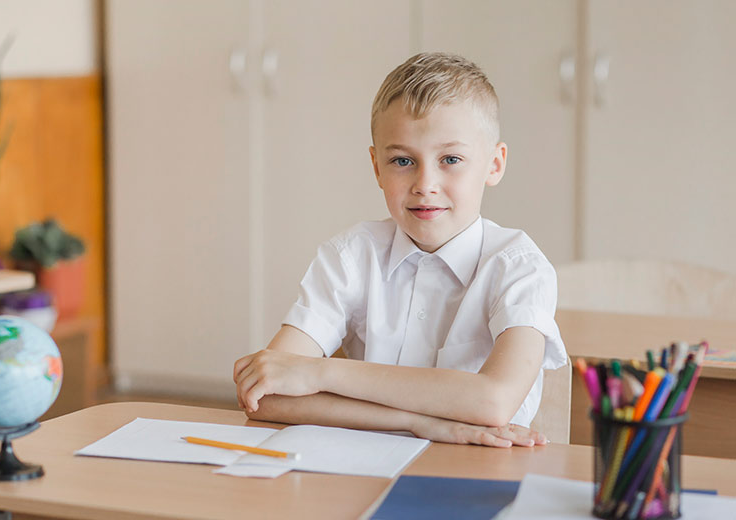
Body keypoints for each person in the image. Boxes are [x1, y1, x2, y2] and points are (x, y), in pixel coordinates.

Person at [233, 52, 567, 448]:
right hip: (361, 472)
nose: (425, 183)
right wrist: (419, 423)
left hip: (479, 477)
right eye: (403, 160)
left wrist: (320, 374)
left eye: (450, 159)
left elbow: (493, 401)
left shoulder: (519, 267)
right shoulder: (351, 256)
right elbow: (266, 395)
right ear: (377, 166)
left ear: (494, 164)